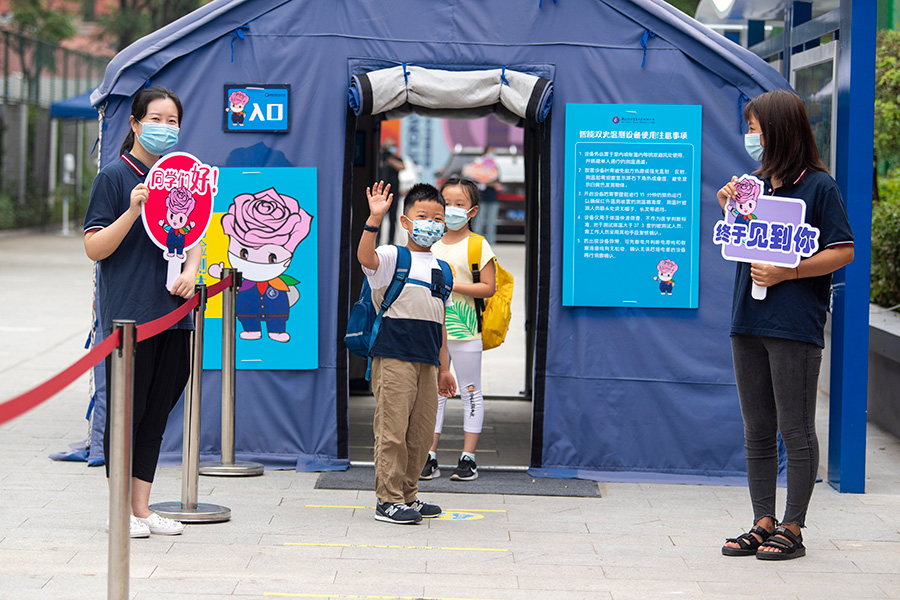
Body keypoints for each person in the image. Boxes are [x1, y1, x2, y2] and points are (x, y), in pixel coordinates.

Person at [718, 89, 854, 560]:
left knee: (795, 428)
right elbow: (741, 240)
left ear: (776, 130)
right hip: (747, 319)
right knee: (756, 428)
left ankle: (793, 526)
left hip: (794, 324)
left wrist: (790, 270)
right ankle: (763, 520)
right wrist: (728, 208)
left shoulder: (820, 187)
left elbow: (844, 250)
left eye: (754, 129)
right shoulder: (754, 185)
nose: (749, 138)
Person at [84, 87, 199, 538]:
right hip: (131, 319)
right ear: (134, 124)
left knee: (156, 411)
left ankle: (142, 509)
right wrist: (133, 210)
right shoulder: (114, 177)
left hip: (175, 314)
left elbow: (195, 235)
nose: (166, 128)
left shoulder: (182, 177)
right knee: (127, 412)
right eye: (157, 119)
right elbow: (94, 246)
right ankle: (120, 511)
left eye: (173, 121)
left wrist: (191, 270)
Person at [358, 180, 457, 524]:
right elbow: (364, 257)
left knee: (421, 432)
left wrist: (445, 368)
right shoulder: (390, 257)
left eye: (438, 217)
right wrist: (374, 219)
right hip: (394, 355)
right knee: (392, 429)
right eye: (423, 215)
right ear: (405, 221)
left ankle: (409, 494)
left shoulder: (443, 270)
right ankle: (387, 500)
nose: (431, 222)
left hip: (428, 360)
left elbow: (440, 319)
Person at [420, 176, 496, 482]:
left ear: (473, 211)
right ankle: (430, 455)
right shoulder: (428, 241)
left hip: (466, 331)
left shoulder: (478, 244)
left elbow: (488, 287)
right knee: (433, 393)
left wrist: (450, 284)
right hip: (430, 329)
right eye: (446, 203)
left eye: (459, 204)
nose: (451, 209)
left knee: (470, 391)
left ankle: (468, 458)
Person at [378, 138, 405, 244]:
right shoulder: (380, 158)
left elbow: (402, 167)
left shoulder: (396, 159)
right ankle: (377, 240)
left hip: (393, 193)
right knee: (379, 218)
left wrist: (390, 159)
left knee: (392, 219)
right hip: (382, 193)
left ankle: (391, 241)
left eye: (393, 146)